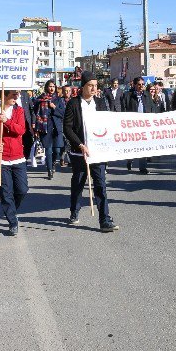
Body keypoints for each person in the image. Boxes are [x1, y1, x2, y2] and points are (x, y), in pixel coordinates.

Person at [63, 70, 119, 232]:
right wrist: (80, 144)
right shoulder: (73, 104)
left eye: (96, 85)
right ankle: (74, 210)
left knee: (100, 184)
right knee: (79, 182)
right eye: (91, 86)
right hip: (79, 152)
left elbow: (106, 124)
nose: (94, 89)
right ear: (83, 87)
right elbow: (67, 127)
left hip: (98, 152)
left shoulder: (100, 103)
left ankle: (105, 219)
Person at [0, 89, 28, 236]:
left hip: (17, 156)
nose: (16, 97)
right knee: (5, 191)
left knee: (22, 189)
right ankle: (12, 221)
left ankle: (12, 209)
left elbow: (21, 130)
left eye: (17, 94)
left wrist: (7, 121)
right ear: (4, 95)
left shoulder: (19, 111)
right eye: (13, 95)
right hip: (0, 158)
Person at [34, 80, 63, 179]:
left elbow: (62, 113)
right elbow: (35, 113)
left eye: (53, 87)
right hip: (44, 126)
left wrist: (54, 107)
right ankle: (49, 170)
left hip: (56, 127)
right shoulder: (40, 99)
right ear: (46, 87)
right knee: (48, 149)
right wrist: (35, 127)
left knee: (57, 150)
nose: (51, 88)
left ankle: (53, 163)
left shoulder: (58, 99)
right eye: (50, 86)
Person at [123, 77, 152, 174]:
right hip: (132, 124)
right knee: (132, 145)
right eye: (139, 84)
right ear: (134, 85)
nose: (141, 86)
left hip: (144, 125)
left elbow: (151, 108)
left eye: (143, 84)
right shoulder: (128, 95)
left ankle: (142, 167)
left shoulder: (147, 95)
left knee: (143, 145)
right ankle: (129, 160)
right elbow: (124, 109)